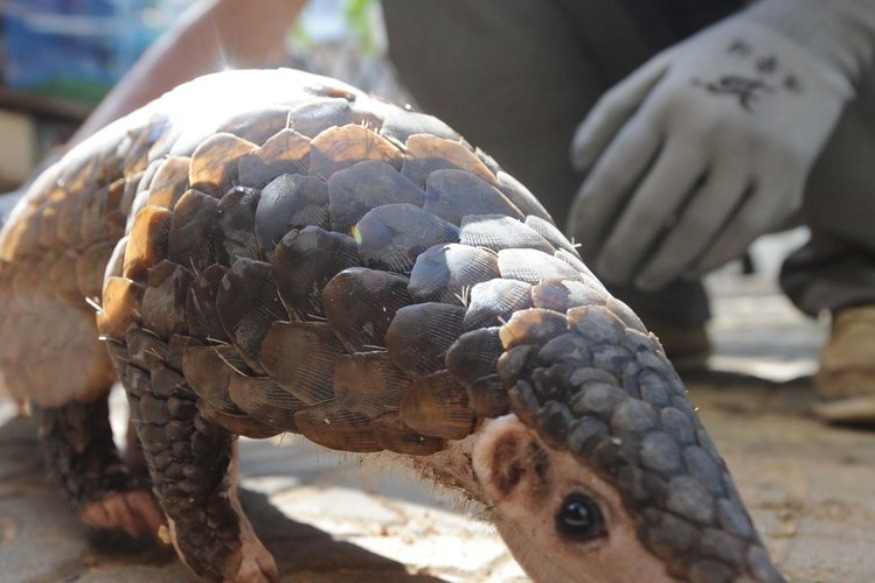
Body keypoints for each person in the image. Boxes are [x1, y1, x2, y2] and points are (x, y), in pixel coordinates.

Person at [34, 0, 875, 425]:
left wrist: (818, 30)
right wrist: (45, 211)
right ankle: (602, 277)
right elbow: (232, 29)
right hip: (608, 102)